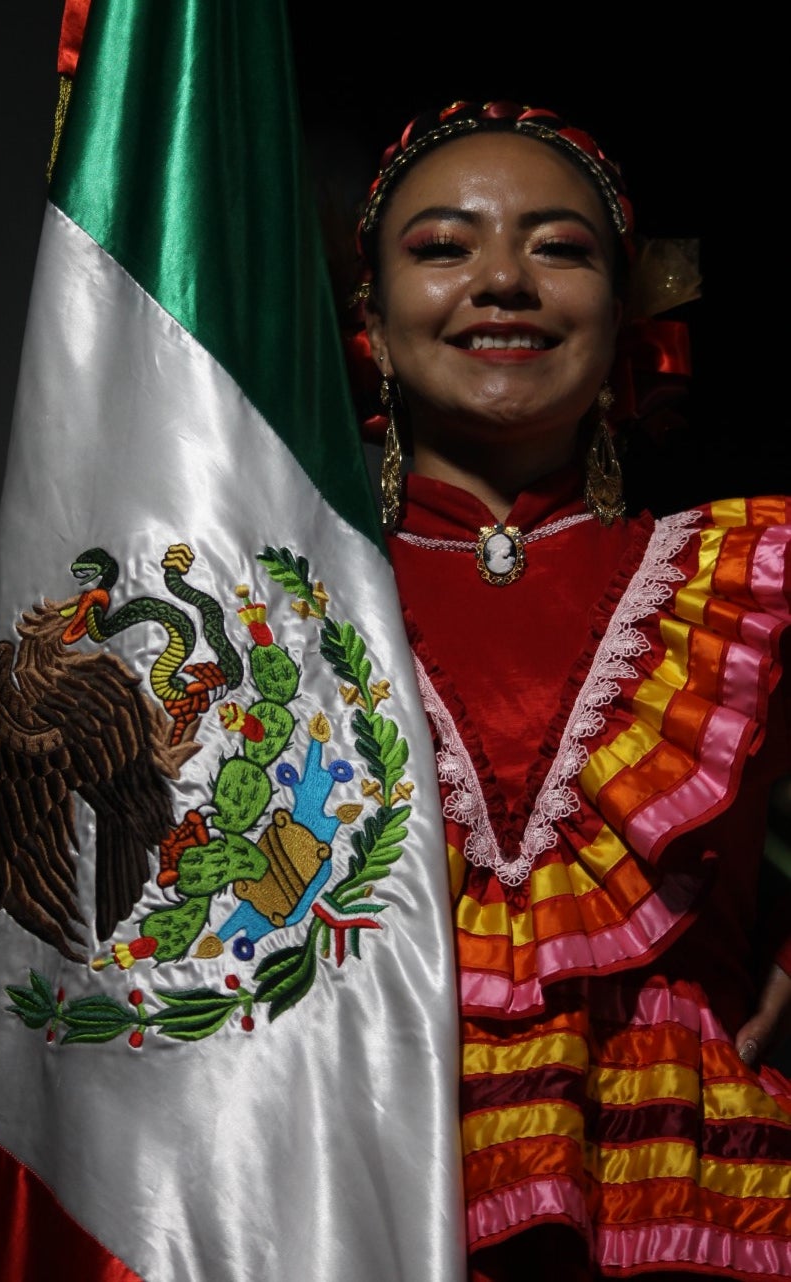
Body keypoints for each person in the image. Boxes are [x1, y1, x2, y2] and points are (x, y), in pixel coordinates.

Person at [342, 98, 791, 1280]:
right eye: (443, 248)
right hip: (345, 1193)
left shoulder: (748, 574)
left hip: (685, 1214)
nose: (502, 280)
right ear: (371, 325)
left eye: (558, 248)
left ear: (625, 315)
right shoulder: (275, 604)